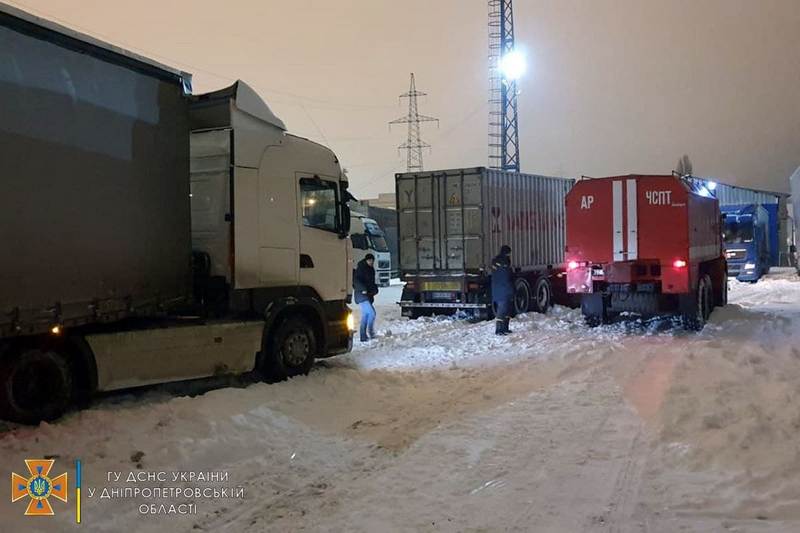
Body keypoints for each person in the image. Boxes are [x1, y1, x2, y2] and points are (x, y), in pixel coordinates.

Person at [353, 253, 379, 342]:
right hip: (361, 296)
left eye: (372, 261)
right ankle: (370, 333)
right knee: (372, 313)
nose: (371, 262)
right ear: (366, 260)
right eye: (370, 261)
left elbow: (371, 283)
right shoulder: (361, 269)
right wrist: (363, 289)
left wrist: (375, 289)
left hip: (367, 296)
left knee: (366, 315)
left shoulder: (371, 269)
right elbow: (356, 281)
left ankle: (363, 336)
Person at [491, 245, 514, 335]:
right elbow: (507, 277)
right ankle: (499, 330)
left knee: (505, 309)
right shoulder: (504, 263)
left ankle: (504, 328)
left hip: (499, 289)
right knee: (503, 309)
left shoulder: (495, 262)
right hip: (504, 290)